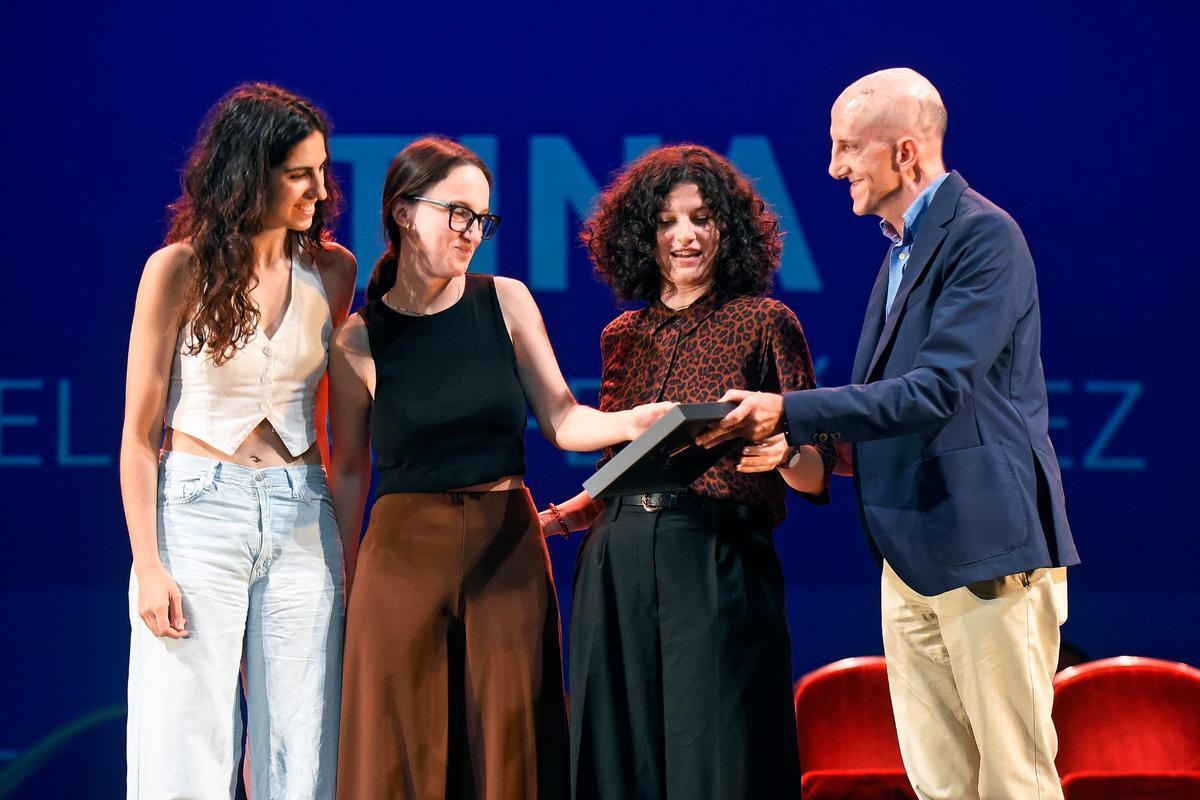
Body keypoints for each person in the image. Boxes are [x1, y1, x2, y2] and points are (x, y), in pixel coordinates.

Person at [699, 68, 1080, 800]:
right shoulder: (900, 251)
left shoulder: (983, 236)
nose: (833, 166)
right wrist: (804, 450)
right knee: (939, 785)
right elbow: (904, 410)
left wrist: (791, 409)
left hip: (985, 550)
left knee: (1014, 781)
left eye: (848, 147)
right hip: (910, 557)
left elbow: (938, 390)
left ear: (905, 152)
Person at [329, 136, 671, 800]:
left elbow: (564, 419)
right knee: (400, 749)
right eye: (457, 212)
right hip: (400, 558)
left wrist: (637, 422)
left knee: (510, 744)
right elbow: (347, 473)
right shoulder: (359, 338)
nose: (471, 231)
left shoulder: (505, 300)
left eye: (482, 218)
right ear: (403, 212)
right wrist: (342, 581)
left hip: (507, 546)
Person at [541, 144, 833, 800]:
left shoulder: (765, 321)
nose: (685, 236)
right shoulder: (622, 335)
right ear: (641, 237)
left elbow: (818, 472)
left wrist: (786, 455)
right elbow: (623, 469)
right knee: (617, 754)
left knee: (717, 754)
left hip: (714, 557)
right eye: (667, 222)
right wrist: (557, 519)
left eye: (702, 219)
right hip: (616, 556)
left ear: (729, 230)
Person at [120, 83, 357, 799]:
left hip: (302, 515)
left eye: (322, 170)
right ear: (250, 173)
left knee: (305, 749)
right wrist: (149, 565)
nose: (320, 190)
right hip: (197, 513)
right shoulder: (178, 269)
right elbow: (139, 437)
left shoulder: (333, 271)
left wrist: (343, 556)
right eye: (298, 174)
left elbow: (338, 439)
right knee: (183, 744)